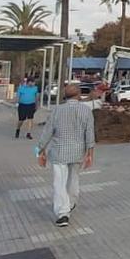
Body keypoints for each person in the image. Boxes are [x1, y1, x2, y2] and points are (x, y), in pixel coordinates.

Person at [37, 83, 95, 227]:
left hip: (58, 152)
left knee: (59, 182)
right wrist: (90, 154)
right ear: (79, 95)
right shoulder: (86, 111)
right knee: (73, 179)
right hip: (77, 152)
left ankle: (63, 213)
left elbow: (47, 132)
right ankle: (71, 203)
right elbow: (90, 134)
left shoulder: (57, 110)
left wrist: (39, 151)